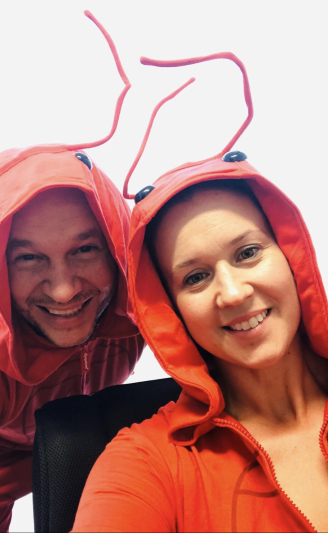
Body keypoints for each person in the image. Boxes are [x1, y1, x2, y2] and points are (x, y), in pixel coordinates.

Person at [72, 54, 328, 532]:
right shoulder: (143, 463)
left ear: (292, 256)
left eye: (249, 252)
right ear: (169, 311)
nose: (232, 293)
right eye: (194, 277)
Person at [0, 12, 144, 532]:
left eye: (86, 250)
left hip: (92, 445)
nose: (65, 288)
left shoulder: (147, 292)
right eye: (28, 258)